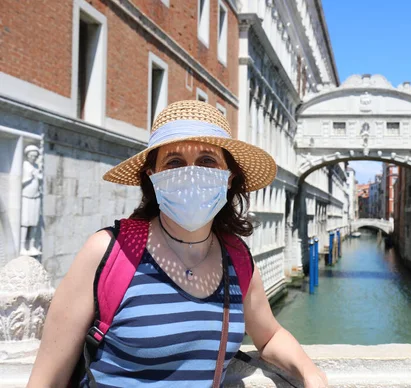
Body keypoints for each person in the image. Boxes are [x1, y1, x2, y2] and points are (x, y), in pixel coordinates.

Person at [27, 100, 328, 387]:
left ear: (228, 176)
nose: (191, 173)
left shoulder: (237, 259)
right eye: (174, 162)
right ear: (152, 176)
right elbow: (47, 380)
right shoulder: (108, 251)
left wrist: (309, 372)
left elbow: (269, 335)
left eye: (207, 160)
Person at [21, 144, 42, 256]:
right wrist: (30, 177)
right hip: (26, 196)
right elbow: (19, 182)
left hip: (36, 196)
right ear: (27, 155)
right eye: (32, 155)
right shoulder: (25, 166)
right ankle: (22, 246)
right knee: (25, 222)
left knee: (34, 222)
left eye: (35, 156)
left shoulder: (36, 166)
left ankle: (32, 245)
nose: (33, 158)